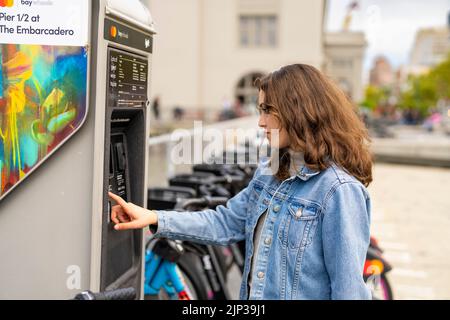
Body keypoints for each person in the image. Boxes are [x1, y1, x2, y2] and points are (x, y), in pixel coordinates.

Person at [109, 64, 373, 300]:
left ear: (299, 111)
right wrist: (153, 217)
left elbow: (349, 292)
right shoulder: (270, 171)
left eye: (268, 110)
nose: (260, 122)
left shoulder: (338, 191)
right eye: (260, 110)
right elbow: (224, 222)